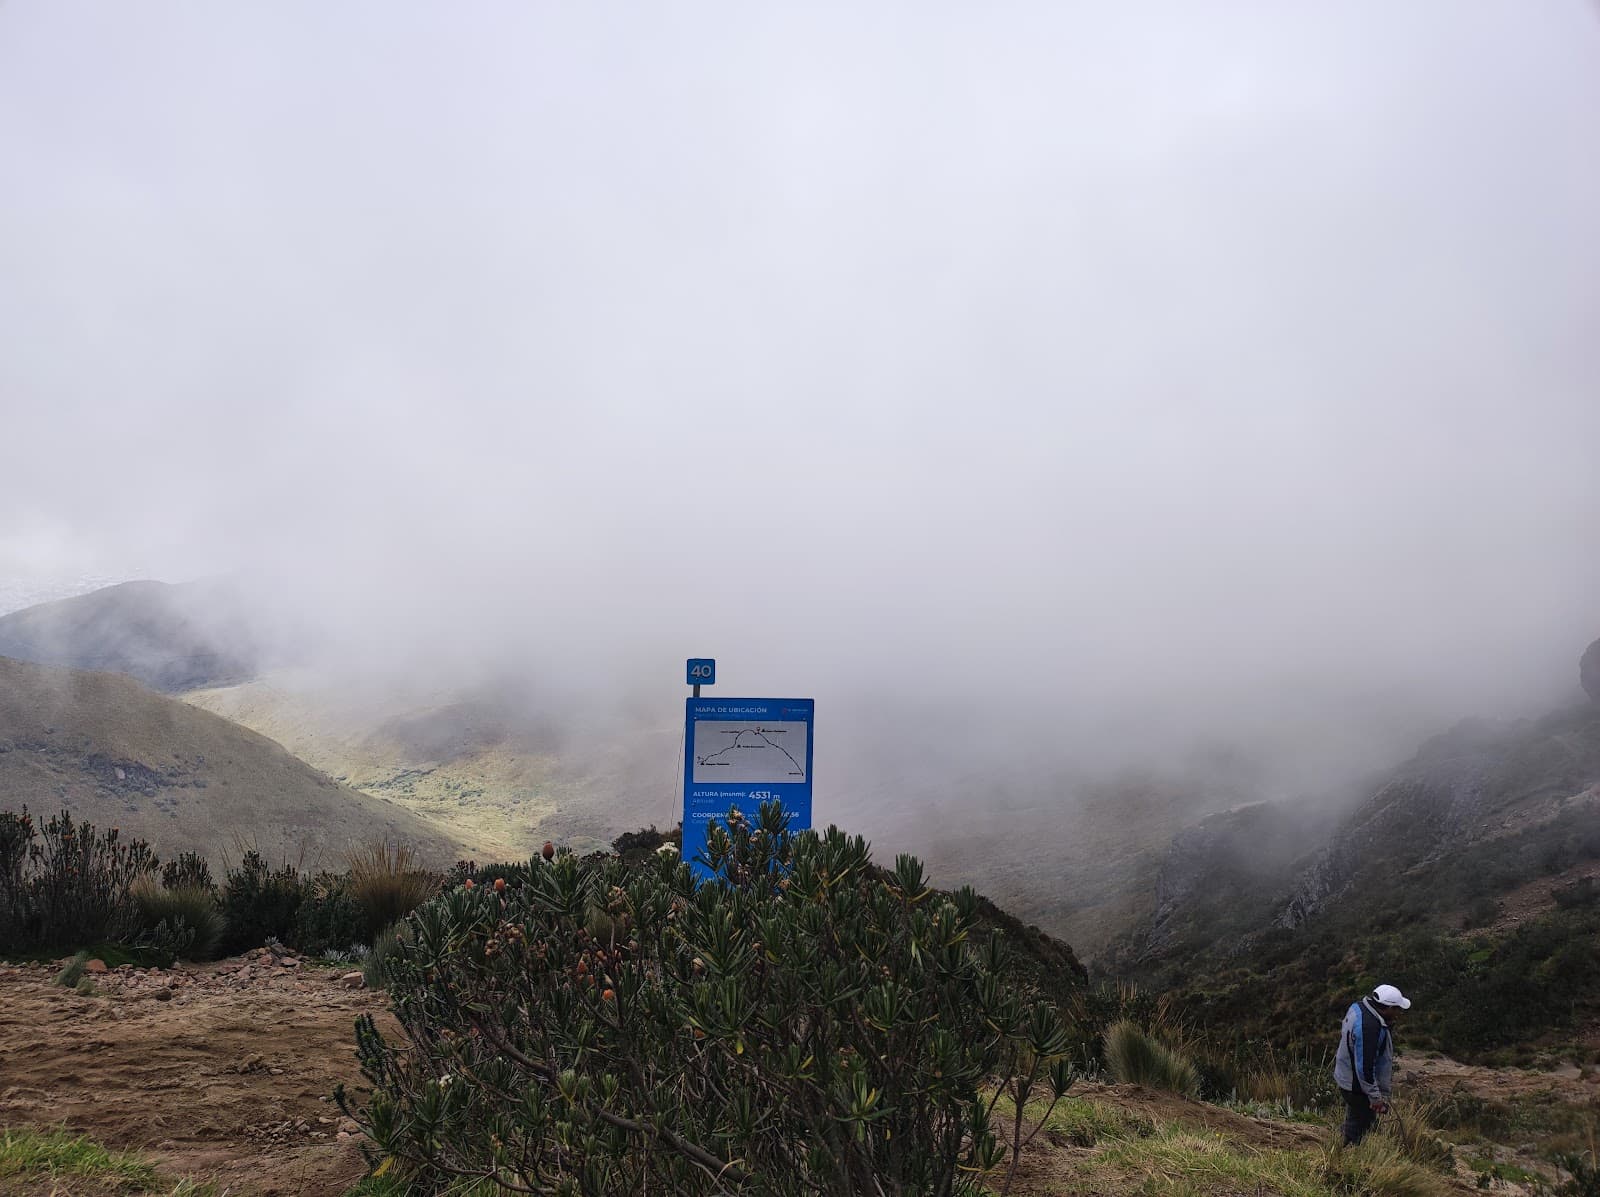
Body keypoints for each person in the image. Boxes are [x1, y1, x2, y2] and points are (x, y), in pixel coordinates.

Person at [1332, 983, 1411, 1146]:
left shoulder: (1359, 1007)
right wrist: (1376, 1098)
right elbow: (1365, 1068)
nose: (1399, 1013)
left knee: (1356, 1117)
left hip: (1346, 1075)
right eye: (1396, 1009)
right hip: (1356, 1085)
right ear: (1387, 1008)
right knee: (1362, 1124)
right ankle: (1345, 1155)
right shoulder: (1369, 1028)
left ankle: (1341, 1143)